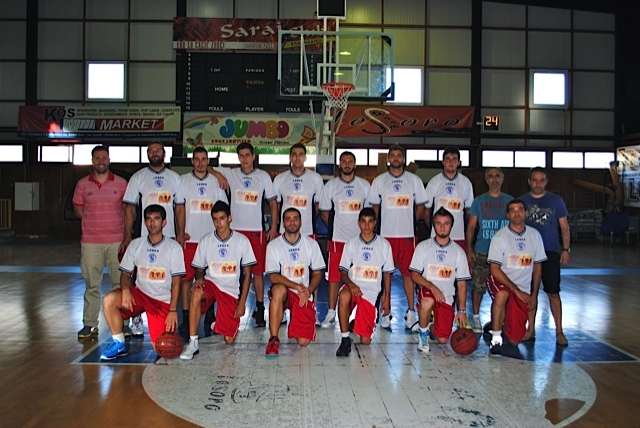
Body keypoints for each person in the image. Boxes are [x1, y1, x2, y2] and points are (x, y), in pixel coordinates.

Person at [100, 205, 185, 360]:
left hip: (161, 302)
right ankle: (119, 343)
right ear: (145, 222)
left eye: (156, 219)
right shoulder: (136, 244)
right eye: (149, 219)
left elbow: (177, 283)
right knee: (109, 300)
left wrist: (173, 311)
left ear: (164, 222)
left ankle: (164, 327)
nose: (152, 223)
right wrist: (126, 290)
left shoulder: (174, 248)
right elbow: (125, 274)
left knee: (162, 348)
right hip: (140, 295)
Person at [210, 143, 278, 327]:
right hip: (234, 232)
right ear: (238, 157)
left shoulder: (263, 176)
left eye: (248, 155)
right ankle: (226, 306)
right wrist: (218, 174)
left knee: (257, 272)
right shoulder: (231, 173)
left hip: (256, 231)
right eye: (241, 155)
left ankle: (260, 309)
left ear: (253, 156)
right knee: (231, 271)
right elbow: (207, 167)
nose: (245, 159)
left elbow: (273, 203)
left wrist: (273, 227)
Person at [121, 141, 185, 337]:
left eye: (158, 150)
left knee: (168, 279)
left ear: (164, 154)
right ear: (147, 154)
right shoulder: (138, 177)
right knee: (139, 277)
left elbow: (179, 208)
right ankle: (136, 317)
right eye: (151, 151)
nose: (154, 153)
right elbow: (130, 209)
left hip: (168, 237)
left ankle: (171, 312)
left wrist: (181, 233)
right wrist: (127, 236)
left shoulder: (175, 178)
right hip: (144, 237)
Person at [180, 201, 256, 359]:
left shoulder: (242, 241)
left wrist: (242, 302)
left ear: (229, 218)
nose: (218, 223)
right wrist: (199, 278)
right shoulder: (206, 240)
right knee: (195, 292)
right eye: (215, 219)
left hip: (230, 290)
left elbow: (248, 274)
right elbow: (199, 269)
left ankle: (218, 324)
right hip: (211, 284)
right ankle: (193, 343)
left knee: (229, 340)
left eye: (221, 218)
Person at [369, 143, 427, 329]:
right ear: (388, 159)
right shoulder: (379, 181)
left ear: (403, 159)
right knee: (385, 276)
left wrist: (412, 220)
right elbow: (375, 207)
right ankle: (385, 312)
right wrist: (378, 226)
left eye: (398, 155)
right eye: (392, 155)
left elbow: (421, 205)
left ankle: (411, 313)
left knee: (409, 276)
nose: (395, 158)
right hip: (386, 237)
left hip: (407, 236)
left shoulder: (414, 180)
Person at [73, 145, 128, 339]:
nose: (101, 161)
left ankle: (123, 324)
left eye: (104, 158)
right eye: (97, 158)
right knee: (92, 285)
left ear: (109, 160)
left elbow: (127, 211)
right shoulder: (82, 184)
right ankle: (90, 324)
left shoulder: (121, 184)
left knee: (120, 284)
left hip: (117, 241)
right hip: (91, 242)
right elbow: (79, 211)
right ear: (92, 161)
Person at [486, 199, 546, 356]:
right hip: (501, 281)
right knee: (502, 295)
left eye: (520, 210)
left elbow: (537, 267)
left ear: (526, 213)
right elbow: (494, 270)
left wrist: (534, 295)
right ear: (507, 215)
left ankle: (500, 321)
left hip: (523, 288)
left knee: (514, 340)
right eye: (512, 210)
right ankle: (496, 339)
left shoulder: (535, 235)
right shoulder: (500, 237)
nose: (516, 213)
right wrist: (516, 291)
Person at [318, 150, 371, 328]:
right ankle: (331, 312)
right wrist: (338, 227)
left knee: (360, 276)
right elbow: (325, 213)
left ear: (355, 164)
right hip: (337, 240)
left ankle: (359, 312)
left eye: (350, 161)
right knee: (334, 277)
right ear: (339, 164)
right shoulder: (331, 186)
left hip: (360, 241)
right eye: (344, 161)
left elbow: (368, 213)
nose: (347, 164)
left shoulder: (364, 185)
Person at [273, 143, 324, 324]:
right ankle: (282, 309)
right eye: (294, 154)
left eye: (300, 154)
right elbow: (276, 205)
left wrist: (305, 222)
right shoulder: (280, 179)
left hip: (308, 231)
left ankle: (312, 308)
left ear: (305, 157)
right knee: (284, 269)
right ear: (290, 157)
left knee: (311, 271)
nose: (297, 157)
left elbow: (318, 205)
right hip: (284, 232)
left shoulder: (315, 178)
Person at [519, 167, 571, 346]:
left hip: (550, 252)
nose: (538, 184)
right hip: (527, 254)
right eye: (534, 180)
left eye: (541, 180)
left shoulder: (556, 201)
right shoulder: (522, 201)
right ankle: (530, 329)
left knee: (553, 293)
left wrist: (566, 249)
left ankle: (559, 331)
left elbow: (564, 227)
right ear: (529, 181)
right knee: (529, 293)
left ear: (546, 182)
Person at [264, 208, 326, 357]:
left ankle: (295, 318)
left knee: (303, 342)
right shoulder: (274, 245)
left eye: (295, 219)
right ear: (282, 223)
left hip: (303, 295)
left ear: (301, 222)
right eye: (288, 219)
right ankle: (273, 339)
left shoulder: (311, 244)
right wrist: (297, 286)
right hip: (286, 293)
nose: (292, 222)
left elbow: (318, 274)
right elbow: (273, 277)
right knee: (278, 290)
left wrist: (308, 290)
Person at [409, 207, 471, 353]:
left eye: (446, 224)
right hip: (427, 290)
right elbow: (414, 276)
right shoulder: (423, 247)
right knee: (427, 302)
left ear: (451, 226)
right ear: (433, 225)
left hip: (446, 296)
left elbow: (462, 283)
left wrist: (462, 310)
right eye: (438, 223)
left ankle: (429, 325)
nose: (442, 227)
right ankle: (423, 335)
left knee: (443, 339)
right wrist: (432, 287)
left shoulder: (458, 252)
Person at [178, 147, 226, 331]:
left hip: (211, 240)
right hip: (189, 239)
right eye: (196, 159)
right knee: (186, 279)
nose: (200, 163)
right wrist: (180, 231)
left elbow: (222, 208)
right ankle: (186, 315)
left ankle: (211, 312)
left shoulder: (215, 181)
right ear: (192, 161)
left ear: (208, 161)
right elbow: (179, 208)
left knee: (211, 278)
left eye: (203, 159)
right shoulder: (183, 181)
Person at [335, 208, 394, 357]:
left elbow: (387, 273)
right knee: (343, 296)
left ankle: (356, 322)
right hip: (353, 288)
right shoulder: (351, 244)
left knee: (365, 341)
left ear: (375, 223)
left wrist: (387, 297)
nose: (366, 225)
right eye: (363, 221)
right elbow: (343, 273)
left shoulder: (384, 245)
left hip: (371, 294)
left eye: (370, 222)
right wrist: (352, 284)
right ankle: (345, 339)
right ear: (358, 223)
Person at [465, 167, 512, 333]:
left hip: (505, 254)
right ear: (486, 180)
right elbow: (471, 227)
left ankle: (500, 319)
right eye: (491, 176)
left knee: (503, 288)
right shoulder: (478, 201)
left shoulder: (510, 201)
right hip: (483, 251)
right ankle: (476, 317)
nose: (494, 179)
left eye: (497, 176)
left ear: (502, 179)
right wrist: (469, 249)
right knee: (478, 287)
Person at [424, 146, 474, 250]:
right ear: (443, 162)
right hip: (437, 236)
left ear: (459, 162)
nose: (451, 162)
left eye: (454, 159)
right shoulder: (434, 182)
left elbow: (469, 212)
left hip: (458, 236)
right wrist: (434, 228)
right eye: (448, 159)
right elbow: (426, 210)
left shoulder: (466, 183)